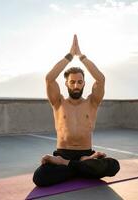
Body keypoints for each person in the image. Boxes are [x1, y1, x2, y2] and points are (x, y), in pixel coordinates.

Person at [32, 34, 120, 187]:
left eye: (79, 82)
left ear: (84, 83)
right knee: (40, 177)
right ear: (66, 83)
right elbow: (49, 78)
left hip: (86, 153)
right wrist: (70, 56)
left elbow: (101, 79)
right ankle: (80, 166)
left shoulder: (92, 102)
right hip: (63, 152)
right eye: (72, 82)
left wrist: (81, 56)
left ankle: (69, 165)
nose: (76, 85)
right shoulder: (58, 102)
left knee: (114, 165)